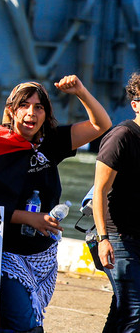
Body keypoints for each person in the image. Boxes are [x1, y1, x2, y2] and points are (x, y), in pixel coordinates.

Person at [0, 77, 110, 332]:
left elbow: (102, 124)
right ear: (11, 110)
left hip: (43, 254)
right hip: (5, 254)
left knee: (10, 324)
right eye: (24, 105)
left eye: (39, 107)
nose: (31, 113)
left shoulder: (50, 142)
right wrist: (28, 218)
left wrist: (80, 92)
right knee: (26, 325)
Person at [95, 72, 140, 333]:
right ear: (135, 104)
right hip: (118, 238)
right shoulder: (121, 136)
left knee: (122, 311)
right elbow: (100, 190)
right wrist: (103, 239)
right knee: (135, 312)